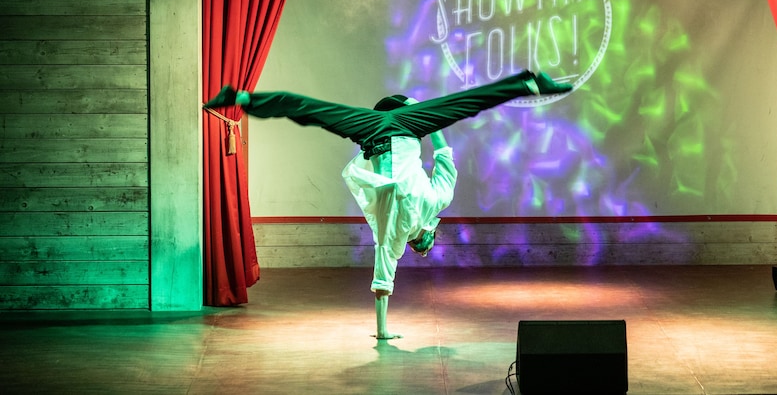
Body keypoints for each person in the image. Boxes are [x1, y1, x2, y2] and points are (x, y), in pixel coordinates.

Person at [203, 69, 572, 338]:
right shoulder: (430, 207)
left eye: (425, 247)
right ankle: (529, 83)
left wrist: (382, 332)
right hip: (407, 124)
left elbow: (382, 283)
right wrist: (427, 116)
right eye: (430, 244)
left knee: (313, 110)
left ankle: (243, 99)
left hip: (379, 129)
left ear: (421, 240)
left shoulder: (397, 232)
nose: (428, 245)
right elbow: (444, 153)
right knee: (463, 105)